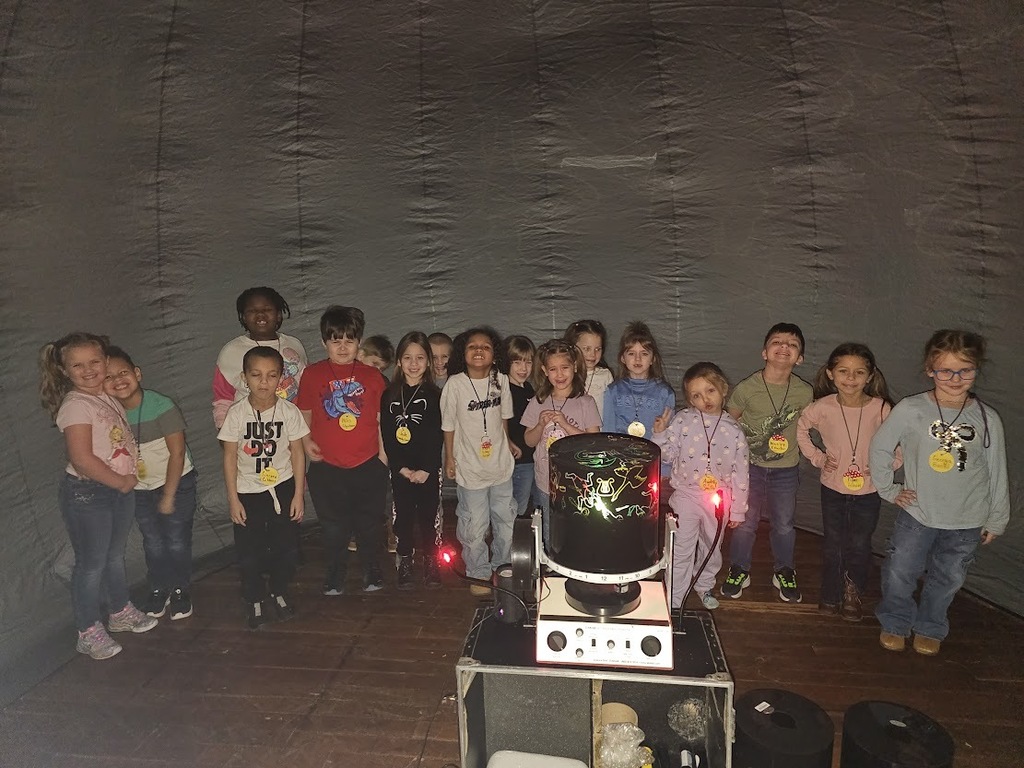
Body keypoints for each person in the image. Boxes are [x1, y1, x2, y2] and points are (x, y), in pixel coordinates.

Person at [870, 330, 1009, 656]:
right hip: (919, 513)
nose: (955, 378)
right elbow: (879, 447)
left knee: (948, 577)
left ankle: (931, 625)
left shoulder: (988, 419)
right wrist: (888, 488)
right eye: (946, 370)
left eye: (965, 370)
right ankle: (895, 620)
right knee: (901, 570)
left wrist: (997, 518)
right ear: (930, 370)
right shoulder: (910, 409)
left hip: (968, 519)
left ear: (976, 369)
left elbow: (997, 470)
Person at [40, 332, 156, 660]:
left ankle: (119, 611)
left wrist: (124, 479)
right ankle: (88, 630)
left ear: (106, 361)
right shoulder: (75, 405)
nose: (88, 370)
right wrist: (119, 482)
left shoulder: (103, 395)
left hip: (117, 490)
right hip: (89, 494)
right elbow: (82, 458)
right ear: (64, 371)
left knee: (114, 556)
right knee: (91, 564)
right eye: (77, 365)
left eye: (95, 362)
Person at [797, 343, 894, 621]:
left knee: (860, 542)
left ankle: (853, 591)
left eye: (859, 372)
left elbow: (901, 442)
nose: (851, 379)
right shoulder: (823, 407)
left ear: (870, 375)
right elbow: (801, 428)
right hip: (833, 488)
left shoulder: (881, 409)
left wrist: (885, 468)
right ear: (830, 374)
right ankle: (830, 592)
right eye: (843, 371)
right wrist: (817, 457)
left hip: (868, 491)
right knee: (834, 542)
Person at [297, 306, 389, 595]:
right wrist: (305, 441)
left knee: (368, 523)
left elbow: (380, 420)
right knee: (333, 526)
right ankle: (335, 571)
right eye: (335, 340)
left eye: (349, 340)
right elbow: (304, 415)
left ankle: (371, 568)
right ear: (324, 342)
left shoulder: (373, 377)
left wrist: (383, 458)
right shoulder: (312, 374)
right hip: (327, 467)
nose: (342, 347)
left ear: (359, 342)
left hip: (367, 463)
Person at [104, 347, 198, 621]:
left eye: (124, 372)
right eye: (109, 377)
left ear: (137, 374)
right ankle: (159, 587)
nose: (118, 380)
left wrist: (168, 495)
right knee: (153, 542)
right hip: (140, 489)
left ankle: (181, 588)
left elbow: (178, 453)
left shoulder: (161, 405)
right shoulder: (109, 414)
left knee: (177, 540)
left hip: (176, 482)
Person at [721, 323, 812, 603]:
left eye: (792, 344)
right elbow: (727, 424)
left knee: (784, 524)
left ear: (800, 358)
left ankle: (784, 569)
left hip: (786, 470)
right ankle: (739, 567)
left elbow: (810, 425)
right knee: (745, 522)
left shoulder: (805, 392)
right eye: (777, 342)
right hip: (749, 469)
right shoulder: (747, 388)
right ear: (764, 352)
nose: (784, 347)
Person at [219, 347, 308, 629]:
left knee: (286, 548)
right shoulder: (236, 414)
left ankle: (279, 590)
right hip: (248, 491)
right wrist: (233, 499)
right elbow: (230, 456)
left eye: (271, 375)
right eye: (256, 375)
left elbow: (297, 452)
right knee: (250, 551)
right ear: (245, 378)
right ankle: (254, 597)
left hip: (282, 489)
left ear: (281, 377)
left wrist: (298, 494)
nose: (264, 382)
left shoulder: (289, 411)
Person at [652, 363, 749, 610]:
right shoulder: (683, 420)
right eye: (696, 395)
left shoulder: (734, 430)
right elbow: (667, 454)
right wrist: (661, 434)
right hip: (686, 495)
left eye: (710, 391)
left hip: (718, 498)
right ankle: (674, 597)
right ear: (689, 400)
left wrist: (737, 509)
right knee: (681, 547)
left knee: (712, 547)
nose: (704, 399)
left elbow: (740, 472)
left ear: (723, 389)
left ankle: (704, 585)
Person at [441, 327, 516, 596]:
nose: (479, 350)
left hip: (500, 466)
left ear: (495, 354)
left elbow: (503, 418)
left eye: (486, 346)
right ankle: (478, 571)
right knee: (474, 524)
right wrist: (450, 457)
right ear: (464, 353)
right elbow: (448, 425)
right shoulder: (455, 384)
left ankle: (502, 564)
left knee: (506, 521)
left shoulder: (502, 381)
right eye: (473, 346)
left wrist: (507, 443)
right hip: (470, 467)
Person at [380, 332, 444, 589]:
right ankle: (405, 559)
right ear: (398, 361)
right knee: (402, 518)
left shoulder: (434, 394)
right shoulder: (390, 394)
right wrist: (400, 467)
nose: (413, 363)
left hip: (428, 470)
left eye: (419, 358)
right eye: (407, 357)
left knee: (430, 517)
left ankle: (432, 560)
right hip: (401, 470)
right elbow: (387, 433)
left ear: (428, 361)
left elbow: (437, 434)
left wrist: (428, 468)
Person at [522, 340, 601, 543]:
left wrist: (566, 425)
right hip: (545, 481)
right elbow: (529, 442)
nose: (560, 374)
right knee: (549, 529)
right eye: (553, 369)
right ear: (544, 371)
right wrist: (540, 425)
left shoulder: (586, 402)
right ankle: (551, 568)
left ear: (574, 366)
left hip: (578, 483)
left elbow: (593, 443)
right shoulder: (538, 402)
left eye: (565, 368)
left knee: (578, 528)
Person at [213, 287, 307, 429]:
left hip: (292, 429)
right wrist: (224, 433)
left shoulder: (294, 345)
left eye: (267, 310)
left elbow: (307, 388)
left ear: (279, 315)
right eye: (252, 311)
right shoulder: (231, 352)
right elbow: (223, 399)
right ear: (243, 317)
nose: (260, 315)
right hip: (249, 432)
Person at [602, 322, 676, 477]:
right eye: (631, 353)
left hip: (655, 468)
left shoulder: (665, 393)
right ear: (622, 358)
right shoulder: (613, 391)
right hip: (622, 467)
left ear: (653, 358)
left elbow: (670, 436)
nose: (637, 358)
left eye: (644, 353)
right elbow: (608, 434)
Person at [504, 335, 537, 518]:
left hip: (531, 458)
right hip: (516, 462)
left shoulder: (528, 388)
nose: (523, 368)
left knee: (526, 507)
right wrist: (507, 441)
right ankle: (509, 546)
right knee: (515, 508)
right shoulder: (503, 389)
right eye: (517, 362)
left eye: (528, 362)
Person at [565, 319, 614, 421]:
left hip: (598, 433)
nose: (593, 354)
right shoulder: (565, 373)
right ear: (573, 348)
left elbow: (612, 409)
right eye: (587, 349)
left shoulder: (605, 375)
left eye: (598, 349)